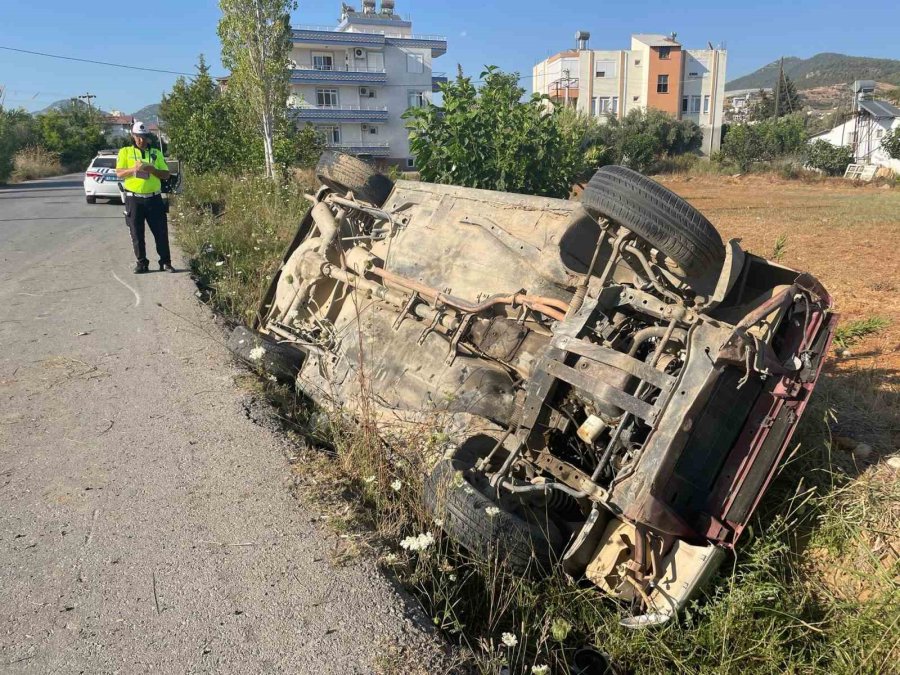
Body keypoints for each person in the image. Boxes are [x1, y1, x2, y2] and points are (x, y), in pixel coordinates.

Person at [116, 121, 174, 274]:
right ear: (133, 136)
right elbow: (119, 173)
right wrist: (132, 169)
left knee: (161, 231)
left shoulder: (156, 153)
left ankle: (165, 262)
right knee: (136, 232)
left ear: (148, 137)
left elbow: (166, 174)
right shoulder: (125, 152)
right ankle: (142, 263)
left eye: (144, 136)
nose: (141, 140)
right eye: (138, 137)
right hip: (134, 199)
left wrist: (153, 170)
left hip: (154, 198)